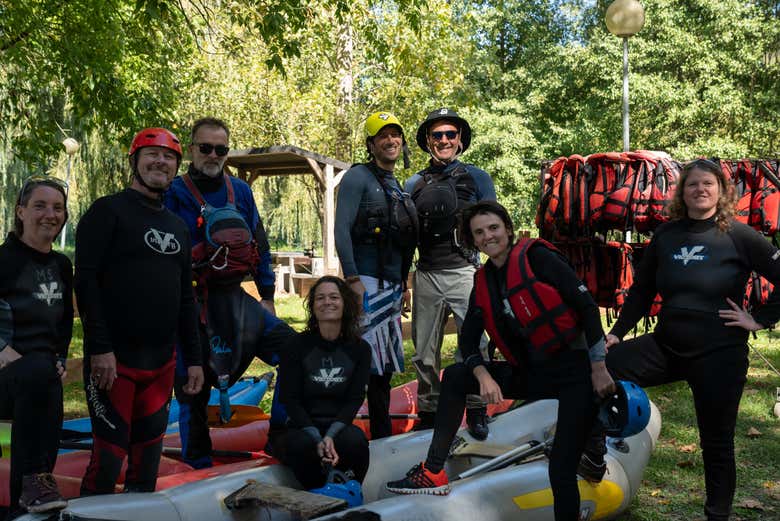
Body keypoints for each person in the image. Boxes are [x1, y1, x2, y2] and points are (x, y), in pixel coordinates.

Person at [386, 200, 614, 521]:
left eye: (493, 228)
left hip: (575, 375)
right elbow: (468, 340)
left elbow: (587, 308)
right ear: (472, 240)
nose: (487, 236)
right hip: (531, 374)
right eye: (479, 232)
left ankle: (591, 447)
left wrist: (599, 367)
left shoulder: (538, 258)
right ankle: (434, 471)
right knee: (456, 376)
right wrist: (482, 375)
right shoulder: (483, 281)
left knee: (561, 469)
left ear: (507, 228)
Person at [580, 159, 780, 521]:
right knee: (598, 368)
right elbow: (642, 291)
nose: (700, 189)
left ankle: (717, 515)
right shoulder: (667, 235)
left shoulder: (741, 235)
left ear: (721, 191)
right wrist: (617, 333)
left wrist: (760, 319)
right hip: (666, 347)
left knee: (716, 443)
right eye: (692, 184)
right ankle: (593, 455)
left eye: (708, 184)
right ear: (682, 192)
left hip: (719, 355)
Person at [74, 127, 205, 495]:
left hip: (161, 365)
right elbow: (86, 283)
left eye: (169, 157)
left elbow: (185, 299)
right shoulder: (107, 211)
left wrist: (194, 360)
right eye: (152, 154)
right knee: (109, 459)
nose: (160, 162)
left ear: (176, 167)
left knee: (147, 462)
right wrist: (100, 348)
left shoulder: (177, 227)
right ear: (135, 161)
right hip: (114, 363)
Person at [163, 117, 294, 468]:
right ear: (192, 149)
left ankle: (281, 437)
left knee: (296, 352)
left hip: (236, 300)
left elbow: (260, 245)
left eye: (220, 149)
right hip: (192, 304)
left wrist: (267, 295)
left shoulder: (241, 191)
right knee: (192, 386)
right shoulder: (173, 192)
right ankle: (197, 465)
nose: (213, 155)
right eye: (205, 148)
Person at [404, 108, 496, 439]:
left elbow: (493, 225)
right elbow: (405, 235)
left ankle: (477, 408)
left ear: (459, 140)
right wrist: (403, 279)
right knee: (424, 351)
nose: (444, 140)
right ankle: (429, 411)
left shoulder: (477, 177)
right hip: (427, 273)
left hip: (466, 271)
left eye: (450, 134)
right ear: (428, 141)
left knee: (475, 345)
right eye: (437, 135)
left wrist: (497, 272)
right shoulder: (413, 183)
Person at [334, 111, 417, 440]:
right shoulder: (358, 177)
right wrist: (352, 279)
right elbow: (341, 229)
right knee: (364, 365)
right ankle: (339, 434)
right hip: (366, 282)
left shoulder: (397, 186)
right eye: (383, 135)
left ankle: (381, 438)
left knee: (383, 369)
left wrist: (404, 283)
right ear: (371, 144)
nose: (391, 140)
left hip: (392, 286)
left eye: (395, 134)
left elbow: (402, 240)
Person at [0, 177, 72, 517]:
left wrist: (61, 358)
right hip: (4, 374)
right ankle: (34, 484)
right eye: (40, 206)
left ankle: (30, 496)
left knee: (45, 374)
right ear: (21, 211)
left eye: (58, 208)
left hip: (40, 374)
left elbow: (64, 322)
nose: (50, 214)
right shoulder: (4, 260)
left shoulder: (62, 265)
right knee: (38, 371)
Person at [272, 276, 371, 489]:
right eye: (320, 298)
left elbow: (355, 399)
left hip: (339, 427)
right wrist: (317, 437)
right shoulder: (295, 345)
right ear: (313, 306)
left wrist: (330, 436)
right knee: (303, 445)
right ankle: (317, 496)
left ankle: (350, 493)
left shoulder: (361, 349)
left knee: (356, 442)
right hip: (300, 427)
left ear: (345, 304)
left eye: (334, 297)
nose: (327, 302)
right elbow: (290, 399)